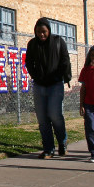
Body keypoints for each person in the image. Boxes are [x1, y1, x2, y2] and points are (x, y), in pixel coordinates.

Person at [25, 17, 72, 158]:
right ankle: (48, 149)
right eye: (39, 32)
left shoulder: (58, 42)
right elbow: (28, 62)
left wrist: (58, 76)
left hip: (55, 85)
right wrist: (35, 76)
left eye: (44, 32)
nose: (42, 35)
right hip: (39, 85)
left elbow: (65, 61)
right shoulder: (32, 44)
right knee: (42, 118)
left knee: (54, 115)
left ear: (49, 31)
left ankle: (62, 142)